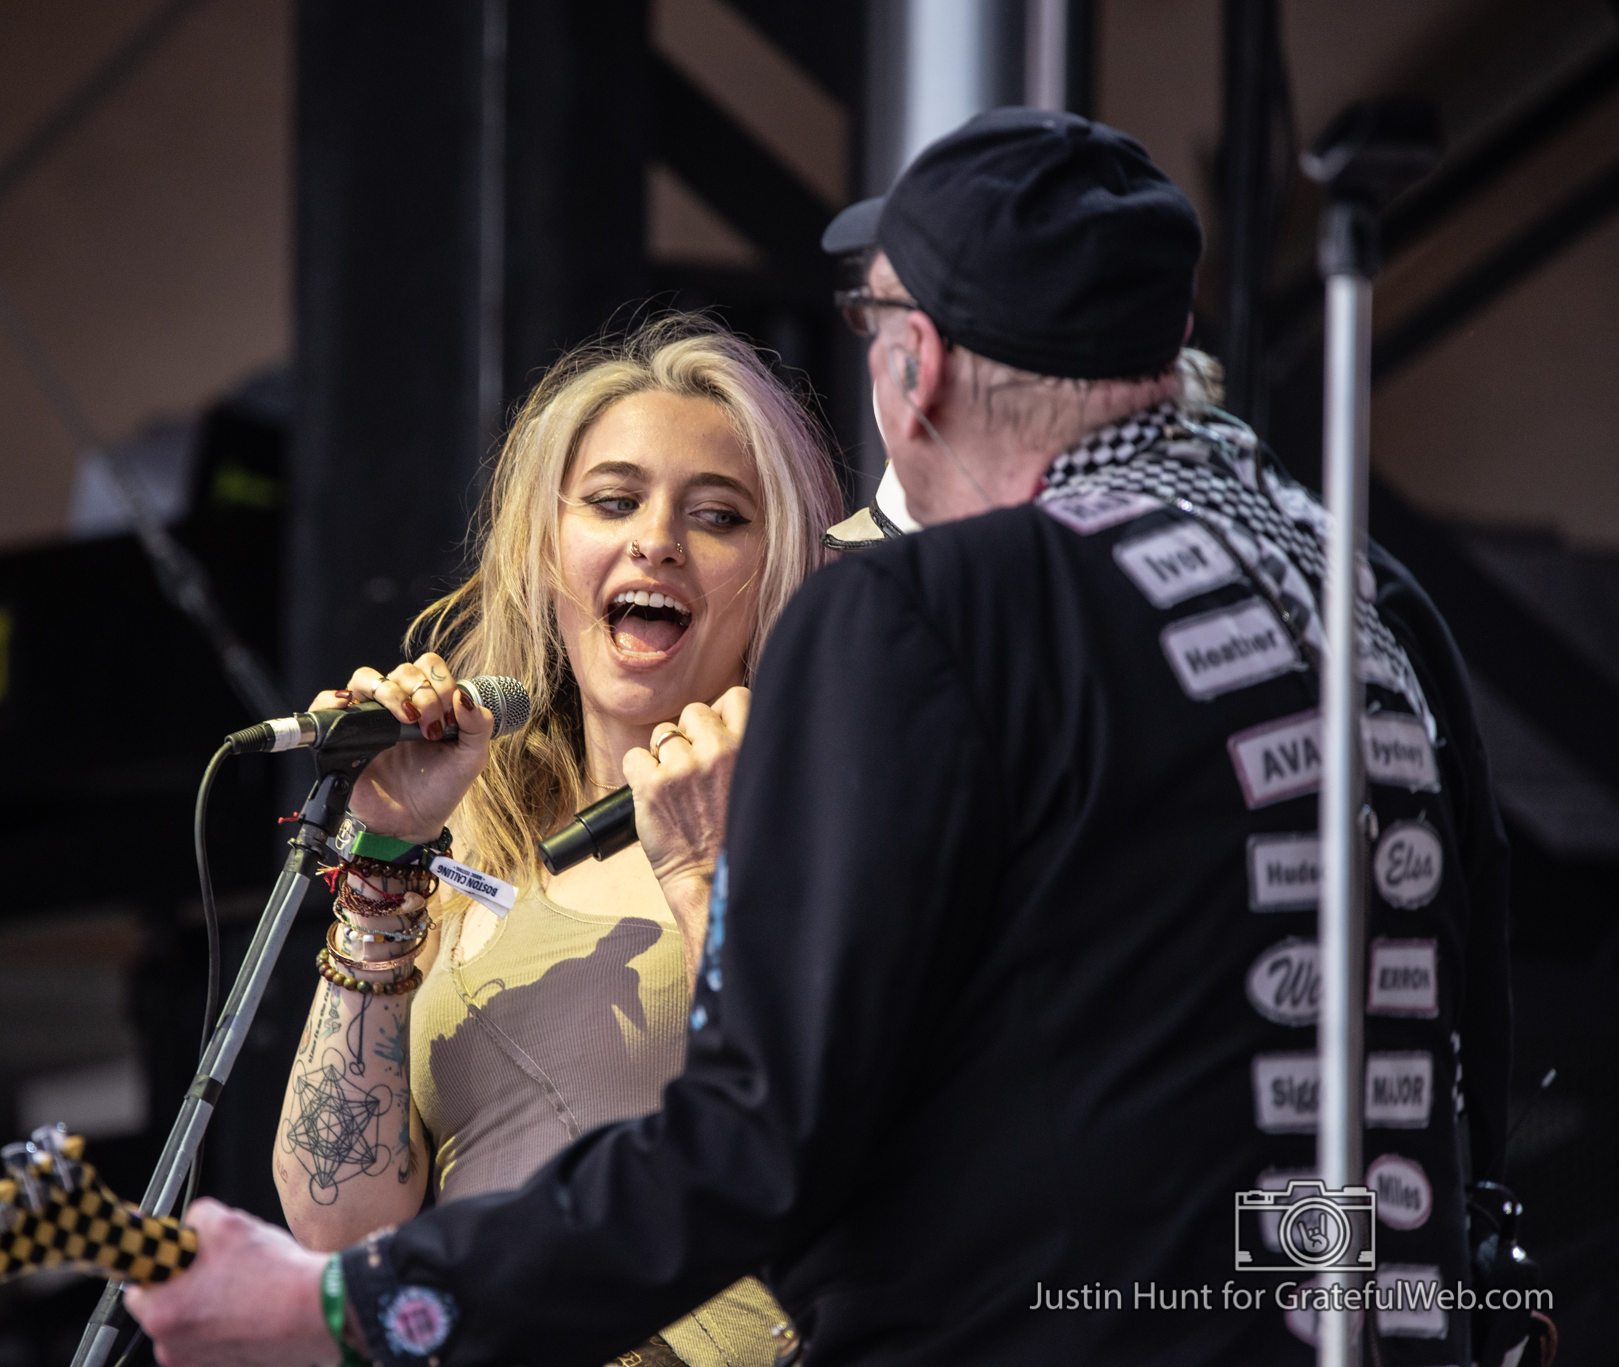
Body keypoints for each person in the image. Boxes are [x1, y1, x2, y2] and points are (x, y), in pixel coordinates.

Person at [128, 109, 1511, 1367]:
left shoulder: (930, 608)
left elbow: (761, 1140)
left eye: (873, 322)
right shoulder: (1363, 599)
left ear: (917, 371)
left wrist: (354, 1307)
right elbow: (1460, 1059)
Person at [268, 314, 844, 1367]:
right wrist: (387, 853)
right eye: (613, 501)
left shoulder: (830, 813)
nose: (656, 539)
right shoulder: (473, 838)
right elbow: (338, 1221)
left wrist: (707, 868)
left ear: (781, 566)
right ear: (545, 550)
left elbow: (841, 1142)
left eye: (717, 514)